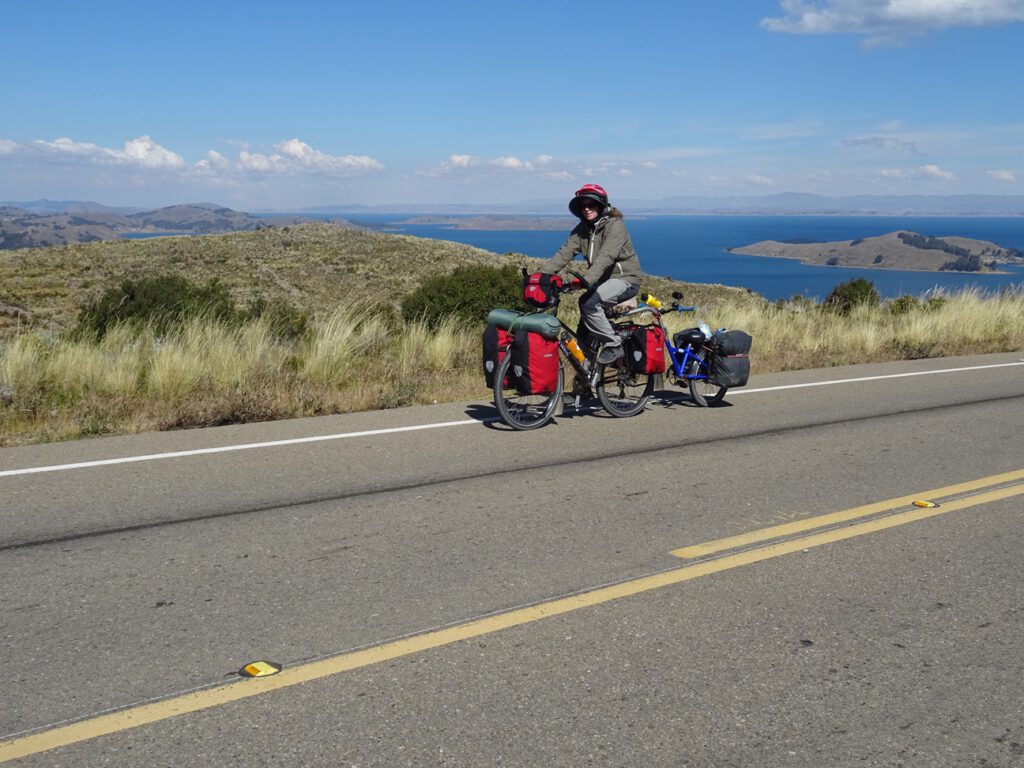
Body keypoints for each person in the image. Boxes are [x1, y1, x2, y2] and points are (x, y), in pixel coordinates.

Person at [541, 183, 643, 365]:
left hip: (624, 279)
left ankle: (614, 345)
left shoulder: (615, 226)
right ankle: (583, 388)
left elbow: (606, 256)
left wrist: (586, 280)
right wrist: (541, 277)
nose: (587, 209)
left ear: (601, 205)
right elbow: (564, 253)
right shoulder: (583, 229)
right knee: (582, 337)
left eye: (591, 205)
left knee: (588, 302)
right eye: (583, 206)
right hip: (601, 284)